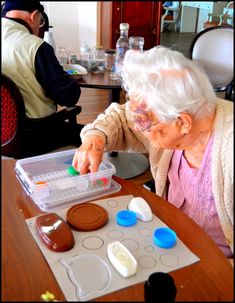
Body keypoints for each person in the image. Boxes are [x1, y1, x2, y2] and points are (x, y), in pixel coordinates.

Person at [72, 46, 233, 262]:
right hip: (169, 243)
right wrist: (95, 138)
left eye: (143, 121)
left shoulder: (228, 150)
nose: (136, 127)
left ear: (183, 122)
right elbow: (122, 117)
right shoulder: (170, 112)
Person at [2, 0, 83, 157]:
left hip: (4, 134)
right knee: (88, 134)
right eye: (41, 21)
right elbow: (69, 97)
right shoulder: (35, 46)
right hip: (31, 136)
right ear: (34, 16)